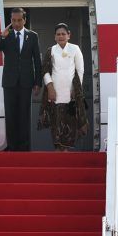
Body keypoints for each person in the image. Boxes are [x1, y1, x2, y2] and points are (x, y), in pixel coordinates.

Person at [0, 7, 43, 151]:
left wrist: (38, 82)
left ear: (24, 20)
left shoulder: (32, 36)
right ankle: (12, 148)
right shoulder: (7, 35)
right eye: (13, 20)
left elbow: (37, 60)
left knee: (24, 116)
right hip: (9, 83)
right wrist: (2, 36)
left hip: (26, 83)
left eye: (19, 20)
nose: (16, 23)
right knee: (11, 116)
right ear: (10, 21)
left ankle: (24, 148)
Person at [39, 23, 87, 151]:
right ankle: (58, 150)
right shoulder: (51, 50)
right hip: (54, 93)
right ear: (54, 37)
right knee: (56, 123)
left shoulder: (75, 49)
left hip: (70, 93)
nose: (61, 36)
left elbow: (80, 70)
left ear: (69, 35)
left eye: (63, 34)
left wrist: (75, 90)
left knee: (70, 123)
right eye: (58, 34)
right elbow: (44, 71)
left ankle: (66, 151)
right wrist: (50, 88)